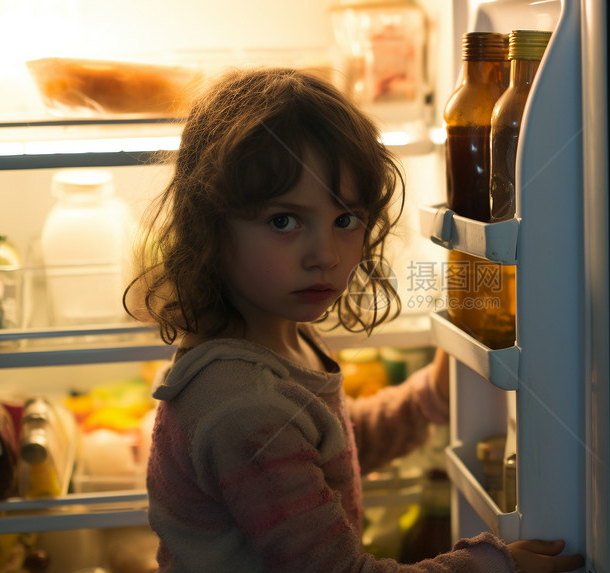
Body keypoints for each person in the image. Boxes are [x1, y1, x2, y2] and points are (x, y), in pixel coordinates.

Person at [125, 67, 584, 573]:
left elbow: (325, 450)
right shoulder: (242, 406)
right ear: (208, 224)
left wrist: (427, 398)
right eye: (284, 220)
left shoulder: (276, 341)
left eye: (346, 219)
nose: (324, 253)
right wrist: (493, 568)